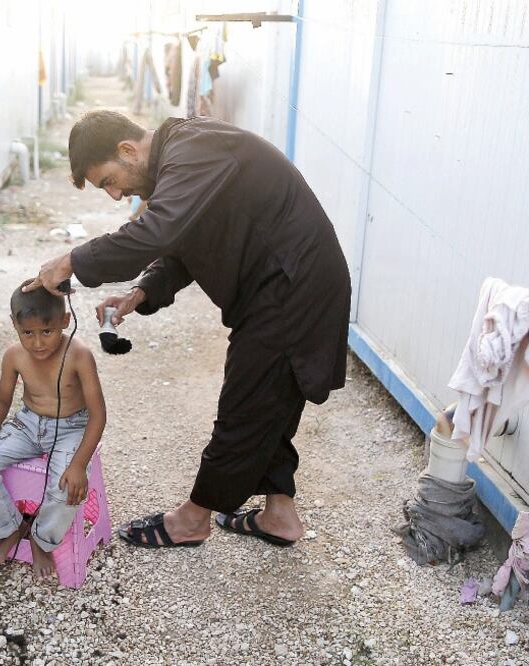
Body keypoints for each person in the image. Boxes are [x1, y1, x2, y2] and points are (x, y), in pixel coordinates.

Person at [24, 110, 351, 549]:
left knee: (246, 404)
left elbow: (157, 232)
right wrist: (139, 294)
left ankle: (192, 520)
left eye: (109, 181)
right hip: (287, 284)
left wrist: (71, 262)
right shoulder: (183, 162)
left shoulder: (193, 148)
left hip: (292, 288)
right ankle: (279, 515)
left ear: (127, 150)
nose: (116, 195)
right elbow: (181, 246)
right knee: (271, 396)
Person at [0, 280, 107, 576]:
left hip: (72, 427)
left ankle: (43, 540)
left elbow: (98, 415)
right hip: (28, 424)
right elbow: (1, 399)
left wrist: (78, 464)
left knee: (66, 486)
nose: (38, 342)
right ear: (14, 324)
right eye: (27, 333)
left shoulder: (79, 355)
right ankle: (9, 529)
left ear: (65, 321)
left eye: (47, 331)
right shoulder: (14, 355)